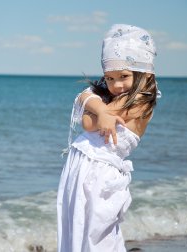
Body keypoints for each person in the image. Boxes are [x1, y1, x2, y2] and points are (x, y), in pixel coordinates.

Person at [57, 24, 161, 252]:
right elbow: (83, 96)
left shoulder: (142, 99)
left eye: (123, 76)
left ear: (144, 73)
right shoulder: (111, 98)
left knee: (98, 233)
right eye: (109, 78)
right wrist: (103, 111)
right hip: (82, 168)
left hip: (102, 174)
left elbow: (86, 122)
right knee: (76, 226)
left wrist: (97, 110)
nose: (116, 85)